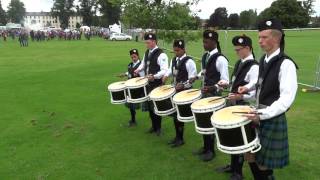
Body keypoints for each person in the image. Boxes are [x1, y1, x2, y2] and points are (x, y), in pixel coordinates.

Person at [239, 18, 298, 180]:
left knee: (263, 162)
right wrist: (248, 87)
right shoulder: (264, 60)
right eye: (259, 37)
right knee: (250, 154)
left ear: (277, 38)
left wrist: (263, 114)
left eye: (264, 37)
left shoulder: (286, 64)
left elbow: (286, 99)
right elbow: (260, 80)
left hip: (271, 117)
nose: (259, 41)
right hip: (257, 113)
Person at [216, 35, 259, 180]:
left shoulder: (254, 67)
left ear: (247, 48)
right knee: (233, 137)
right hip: (234, 105)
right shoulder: (239, 63)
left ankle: (238, 172)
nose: (237, 52)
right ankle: (233, 166)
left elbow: (255, 94)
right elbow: (237, 84)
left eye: (238, 50)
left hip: (244, 107)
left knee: (241, 139)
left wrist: (241, 97)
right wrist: (227, 86)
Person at [192, 29, 229, 162]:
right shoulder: (205, 56)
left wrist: (214, 87)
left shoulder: (220, 59)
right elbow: (204, 71)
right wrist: (195, 77)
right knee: (204, 121)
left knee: (211, 123)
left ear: (214, 42)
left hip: (214, 95)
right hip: (205, 93)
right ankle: (205, 147)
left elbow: (225, 81)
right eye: (203, 41)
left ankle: (211, 151)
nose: (204, 44)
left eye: (206, 42)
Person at [162, 39, 197, 147]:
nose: (176, 53)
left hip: (185, 93)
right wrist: (166, 75)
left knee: (180, 116)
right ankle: (177, 137)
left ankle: (180, 139)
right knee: (175, 116)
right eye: (174, 51)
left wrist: (183, 85)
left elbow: (193, 78)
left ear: (183, 49)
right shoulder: (174, 60)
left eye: (177, 51)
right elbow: (170, 70)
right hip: (175, 91)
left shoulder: (189, 61)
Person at [134, 33, 169, 136]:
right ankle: (153, 126)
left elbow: (164, 70)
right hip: (148, 84)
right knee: (150, 106)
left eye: (148, 43)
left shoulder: (161, 54)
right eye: (146, 43)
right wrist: (138, 69)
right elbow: (143, 64)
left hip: (157, 84)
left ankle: (158, 128)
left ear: (154, 41)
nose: (147, 44)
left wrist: (154, 76)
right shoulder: (147, 52)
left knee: (156, 107)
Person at [119, 49, 144, 127]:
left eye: (135, 56)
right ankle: (133, 120)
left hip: (137, 88)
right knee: (130, 104)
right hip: (130, 88)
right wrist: (125, 74)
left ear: (138, 56)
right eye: (132, 57)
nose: (133, 58)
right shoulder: (130, 64)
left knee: (134, 104)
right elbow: (130, 72)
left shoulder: (141, 65)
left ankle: (134, 119)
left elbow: (143, 76)